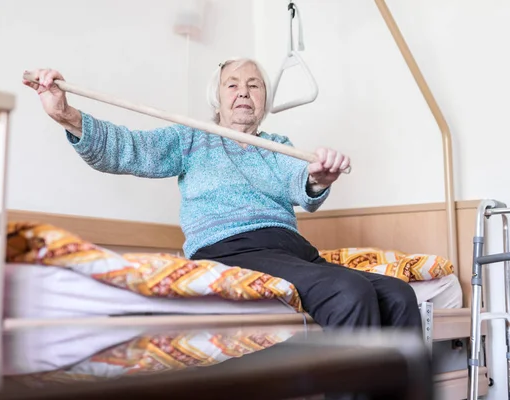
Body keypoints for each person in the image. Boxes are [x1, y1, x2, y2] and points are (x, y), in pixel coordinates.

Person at [23, 58, 422, 332]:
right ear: (218, 97)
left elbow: (302, 182)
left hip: (294, 252)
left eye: (254, 85)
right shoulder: (192, 137)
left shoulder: (277, 144)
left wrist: (319, 178)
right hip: (229, 251)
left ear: (264, 99)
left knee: (400, 296)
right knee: (347, 291)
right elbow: (129, 149)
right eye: (233, 84)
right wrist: (67, 116)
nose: (243, 92)